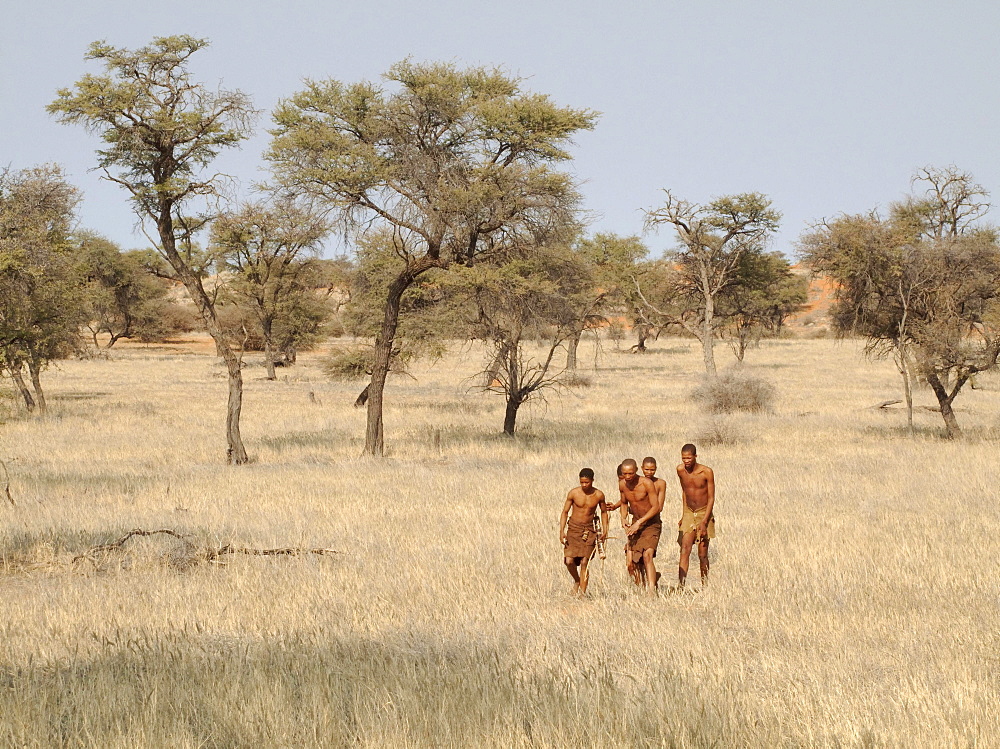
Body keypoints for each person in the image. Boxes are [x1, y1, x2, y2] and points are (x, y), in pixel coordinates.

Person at [559, 468, 608, 596]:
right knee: (569, 561)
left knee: (584, 562)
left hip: (589, 530)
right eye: (582, 482)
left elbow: (604, 512)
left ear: (592, 480)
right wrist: (561, 531)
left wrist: (605, 529)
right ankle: (577, 580)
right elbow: (565, 512)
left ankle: (582, 594)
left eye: (587, 482)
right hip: (573, 529)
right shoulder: (573, 493)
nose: (584, 485)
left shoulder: (599, 495)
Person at [619, 458, 663, 594]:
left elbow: (656, 507)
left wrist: (640, 522)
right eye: (625, 474)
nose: (627, 477)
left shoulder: (646, 483)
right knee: (633, 561)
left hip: (651, 523)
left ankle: (651, 591)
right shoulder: (622, 484)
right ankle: (645, 584)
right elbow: (624, 503)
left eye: (630, 473)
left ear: (636, 470)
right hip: (635, 523)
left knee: (647, 555)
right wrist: (623, 518)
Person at [675, 443, 716, 589]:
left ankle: (705, 585)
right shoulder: (680, 470)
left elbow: (711, 498)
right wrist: (683, 514)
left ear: (695, 456)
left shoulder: (706, 472)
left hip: (704, 512)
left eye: (689, 458)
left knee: (702, 553)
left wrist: (705, 521)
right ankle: (681, 586)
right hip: (688, 513)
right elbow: (685, 492)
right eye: (683, 458)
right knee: (685, 549)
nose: (686, 461)